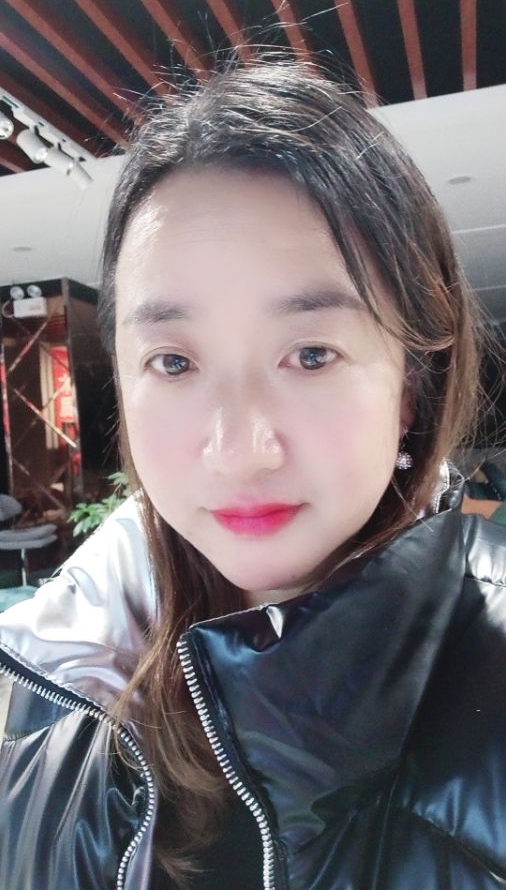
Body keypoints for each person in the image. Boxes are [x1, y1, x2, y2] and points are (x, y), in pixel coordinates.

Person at [0, 58, 505, 890]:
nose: (237, 449)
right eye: (173, 361)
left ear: (409, 389)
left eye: (311, 354)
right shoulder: (49, 682)